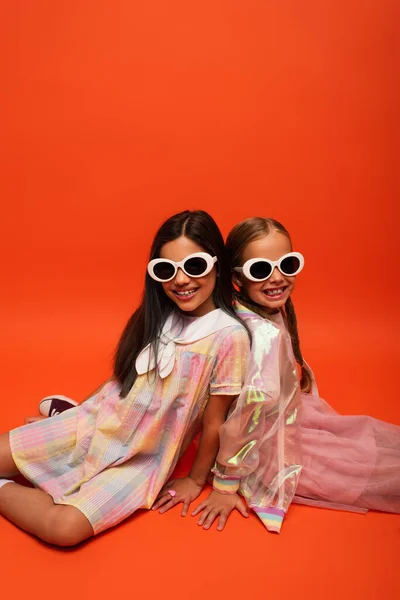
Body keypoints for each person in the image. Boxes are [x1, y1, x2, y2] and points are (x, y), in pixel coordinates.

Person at [0, 210, 250, 545]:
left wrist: (195, 479)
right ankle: (65, 413)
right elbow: (121, 381)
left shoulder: (229, 337)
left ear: (216, 265)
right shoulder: (159, 313)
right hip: (96, 423)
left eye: (194, 266)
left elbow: (215, 421)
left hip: (141, 459)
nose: (180, 281)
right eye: (166, 269)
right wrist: (78, 416)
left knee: (64, 528)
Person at [193, 217, 400, 533]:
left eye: (287, 265)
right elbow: (248, 411)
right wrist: (225, 484)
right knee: (367, 473)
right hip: (254, 443)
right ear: (237, 278)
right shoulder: (258, 333)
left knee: (370, 454)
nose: (277, 278)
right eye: (261, 270)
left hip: (280, 418)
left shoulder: (262, 310)